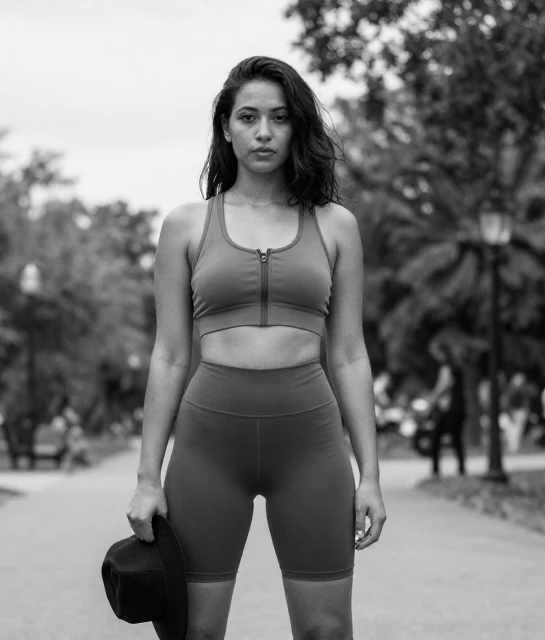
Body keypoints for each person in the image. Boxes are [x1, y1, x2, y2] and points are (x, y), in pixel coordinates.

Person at [123, 56, 384, 640]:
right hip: (209, 443)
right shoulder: (186, 226)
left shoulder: (336, 224)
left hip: (310, 442)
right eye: (248, 117)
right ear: (226, 127)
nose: (264, 132)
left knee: (327, 632)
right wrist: (147, 477)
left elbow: (348, 354)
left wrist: (369, 474)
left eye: (279, 117)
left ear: (297, 128)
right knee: (195, 633)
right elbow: (169, 354)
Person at [426, 342, 467, 478]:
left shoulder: (447, 368)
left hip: (448, 409)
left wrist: (432, 398)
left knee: (436, 438)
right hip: (458, 409)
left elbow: (444, 385)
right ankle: (461, 469)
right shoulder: (458, 368)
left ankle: (436, 470)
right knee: (457, 440)